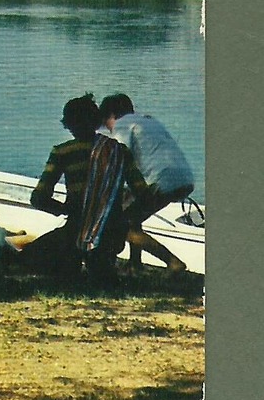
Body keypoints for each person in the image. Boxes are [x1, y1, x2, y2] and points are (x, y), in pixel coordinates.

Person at [22, 93, 148, 281]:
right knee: (97, 269)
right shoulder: (119, 151)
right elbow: (142, 193)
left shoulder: (63, 152)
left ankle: (75, 263)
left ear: (68, 124)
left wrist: (65, 209)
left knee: (24, 260)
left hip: (74, 233)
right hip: (111, 238)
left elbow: (38, 198)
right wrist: (118, 217)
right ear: (97, 121)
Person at [98, 93, 192, 274]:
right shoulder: (148, 121)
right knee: (133, 216)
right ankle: (135, 264)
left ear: (111, 115)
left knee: (121, 224)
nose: (108, 129)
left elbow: (119, 156)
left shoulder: (122, 124)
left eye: (106, 122)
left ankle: (173, 262)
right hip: (183, 178)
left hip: (161, 180)